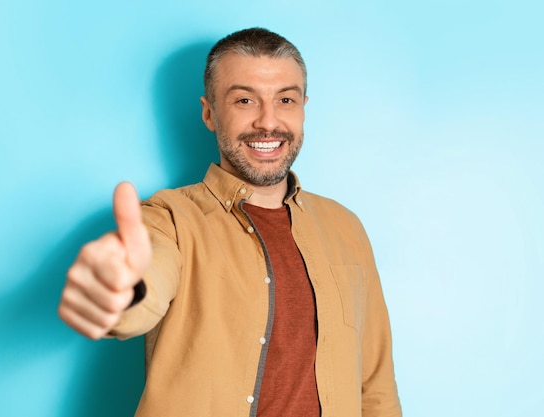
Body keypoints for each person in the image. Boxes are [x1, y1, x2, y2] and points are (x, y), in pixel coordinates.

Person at [58, 27, 402, 417]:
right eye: (244, 100)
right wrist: (120, 288)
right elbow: (146, 278)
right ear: (209, 113)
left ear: (304, 107)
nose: (268, 122)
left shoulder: (346, 228)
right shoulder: (169, 218)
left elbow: (376, 386)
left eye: (285, 99)